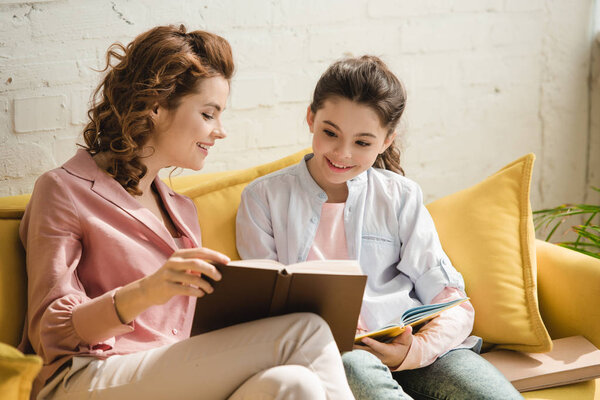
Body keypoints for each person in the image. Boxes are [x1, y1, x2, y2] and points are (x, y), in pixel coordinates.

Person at [19, 25, 355, 400]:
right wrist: (147, 290)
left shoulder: (181, 210)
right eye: (209, 114)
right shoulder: (64, 189)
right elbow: (51, 330)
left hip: (168, 374)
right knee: (305, 330)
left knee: (295, 386)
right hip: (85, 378)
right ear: (156, 107)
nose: (220, 131)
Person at [236, 56, 523, 400]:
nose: (342, 153)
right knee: (354, 365)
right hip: (334, 356)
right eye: (330, 133)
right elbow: (263, 305)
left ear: (386, 141)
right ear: (310, 117)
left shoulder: (400, 196)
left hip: (419, 351)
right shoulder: (263, 198)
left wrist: (413, 349)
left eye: (362, 142)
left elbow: (454, 302)